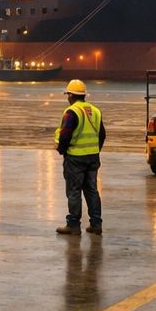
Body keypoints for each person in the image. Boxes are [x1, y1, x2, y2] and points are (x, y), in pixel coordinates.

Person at [54, 79, 104, 236]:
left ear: (70, 95)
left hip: (75, 158)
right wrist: (95, 150)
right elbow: (102, 134)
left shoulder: (72, 112)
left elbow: (65, 134)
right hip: (93, 157)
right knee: (92, 190)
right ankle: (96, 224)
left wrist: (61, 149)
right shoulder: (95, 111)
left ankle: (73, 225)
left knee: (74, 191)